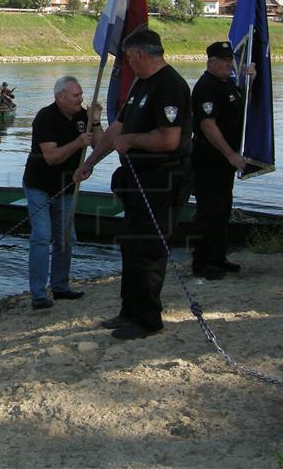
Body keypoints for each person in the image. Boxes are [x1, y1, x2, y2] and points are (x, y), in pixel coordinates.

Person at [74, 29, 192, 340]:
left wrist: (132, 140)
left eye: (128, 58)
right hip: (136, 180)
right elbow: (117, 128)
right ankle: (130, 310)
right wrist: (90, 162)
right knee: (131, 245)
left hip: (163, 179)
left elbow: (169, 139)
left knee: (150, 249)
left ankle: (148, 320)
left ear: (141, 54)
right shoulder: (142, 84)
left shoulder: (170, 85)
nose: (128, 64)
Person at [23, 76, 102, 310]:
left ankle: (60, 287)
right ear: (60, 97)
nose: (82, 99)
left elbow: (99, 146)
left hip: (67, 186)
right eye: (76, 96)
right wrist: (79, 143)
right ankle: (38, 294)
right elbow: (52, 157)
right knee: (41, 237)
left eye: (81, 94)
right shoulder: (45, 117)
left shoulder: (82, 117)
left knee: (66, 237)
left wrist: (95, 122)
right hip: (39, 186)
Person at [191, 41, 255, 280]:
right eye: (224, 60)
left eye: (231, 60)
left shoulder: (227, 84)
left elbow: (243, 107)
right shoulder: (207, 87)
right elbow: (208, 125)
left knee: (222, 210)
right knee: (209, 210)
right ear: (211, 62)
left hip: (223, 162)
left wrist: (252, 80)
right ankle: (203, 262)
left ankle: (218, 258)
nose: (230, 64)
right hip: (209, 160)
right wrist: (230, 154)